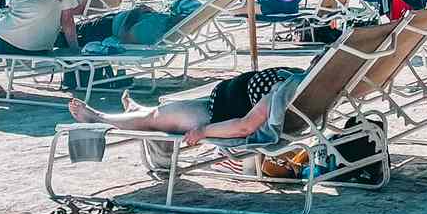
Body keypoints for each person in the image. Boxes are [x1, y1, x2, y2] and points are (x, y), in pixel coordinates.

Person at [69, 64, 301, 148]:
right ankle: (134, 111)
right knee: (156, 112)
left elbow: (245, 127)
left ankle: (98, 118)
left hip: (212, 116)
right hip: (218, 102)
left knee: (153, 118)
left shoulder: (286, 89)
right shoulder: (299, 81)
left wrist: (202, 132)